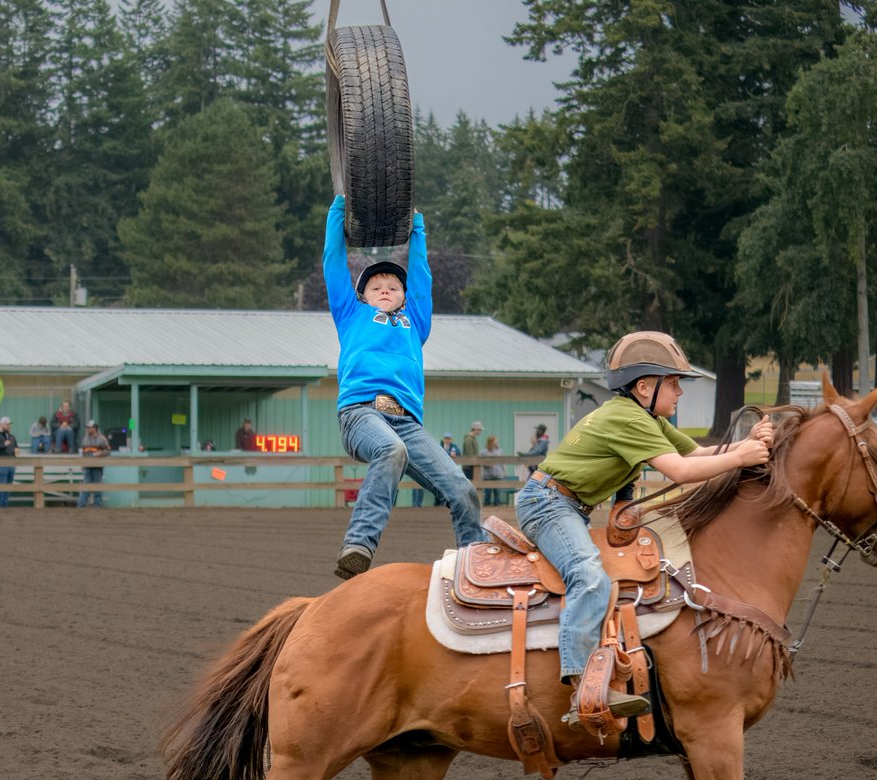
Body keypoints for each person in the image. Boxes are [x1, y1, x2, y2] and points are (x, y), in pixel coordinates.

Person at [515, 331, 774, 725]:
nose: (679, 392)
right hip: (548, 504)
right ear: (644, 387)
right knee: (588, 576)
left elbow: (699, 453)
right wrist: (742, 457)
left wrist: (745, 444)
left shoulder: (644, 417)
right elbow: (682, 471)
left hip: (566, 504)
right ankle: (582, 686)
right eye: (673, 383)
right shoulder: (628, 418)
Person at [323, 193, 484, 580]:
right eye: (375, 285)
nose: (384, 288)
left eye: (393, 285)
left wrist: (418, 229)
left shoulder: (416, 321)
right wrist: (339, 209)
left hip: (406, 422)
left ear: (403, 297)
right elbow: (333, 262)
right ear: (361, 295)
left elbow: (422, 274)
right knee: (390, 450)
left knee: (464, 491)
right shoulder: (351, 315)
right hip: (361, 412)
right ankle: (358, 546)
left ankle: (477, 564)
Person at [77, 420, 110, 507]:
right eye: (87, 427)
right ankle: (81, 504)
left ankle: (97, 504)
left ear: (94, 428)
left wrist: (100, 453)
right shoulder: (85, 438)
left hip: (97, 465)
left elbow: (107, 451)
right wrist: (81, 461)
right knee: (86, 484)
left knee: (97, 484)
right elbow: (82, 450)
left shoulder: (102, 439)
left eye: (89, 427)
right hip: (87, 464)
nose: (88, 429)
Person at [0, 416, 18, 507]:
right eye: (7, 424)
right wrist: (4, 444)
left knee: (8, 487)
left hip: (11, 464)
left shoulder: (12, 436)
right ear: (1, 424)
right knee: (2, 486)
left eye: (9, 424)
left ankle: (4, 505)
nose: (9, 426)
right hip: (0, 464)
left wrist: (16, 451)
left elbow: (16, 447)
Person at [481, 434, 507, 507]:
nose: (496, 443)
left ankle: (497, 508)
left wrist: (504, 471)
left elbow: (503, 462)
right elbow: (481, 462)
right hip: (487, 475)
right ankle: (487, 507)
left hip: (498, 475)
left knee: (497, 493)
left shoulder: (499, 450)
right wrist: (488, 464)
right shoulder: (484, 451)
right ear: (490, 442)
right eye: (494, 442)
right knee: (487, 493)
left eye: (496, 442)